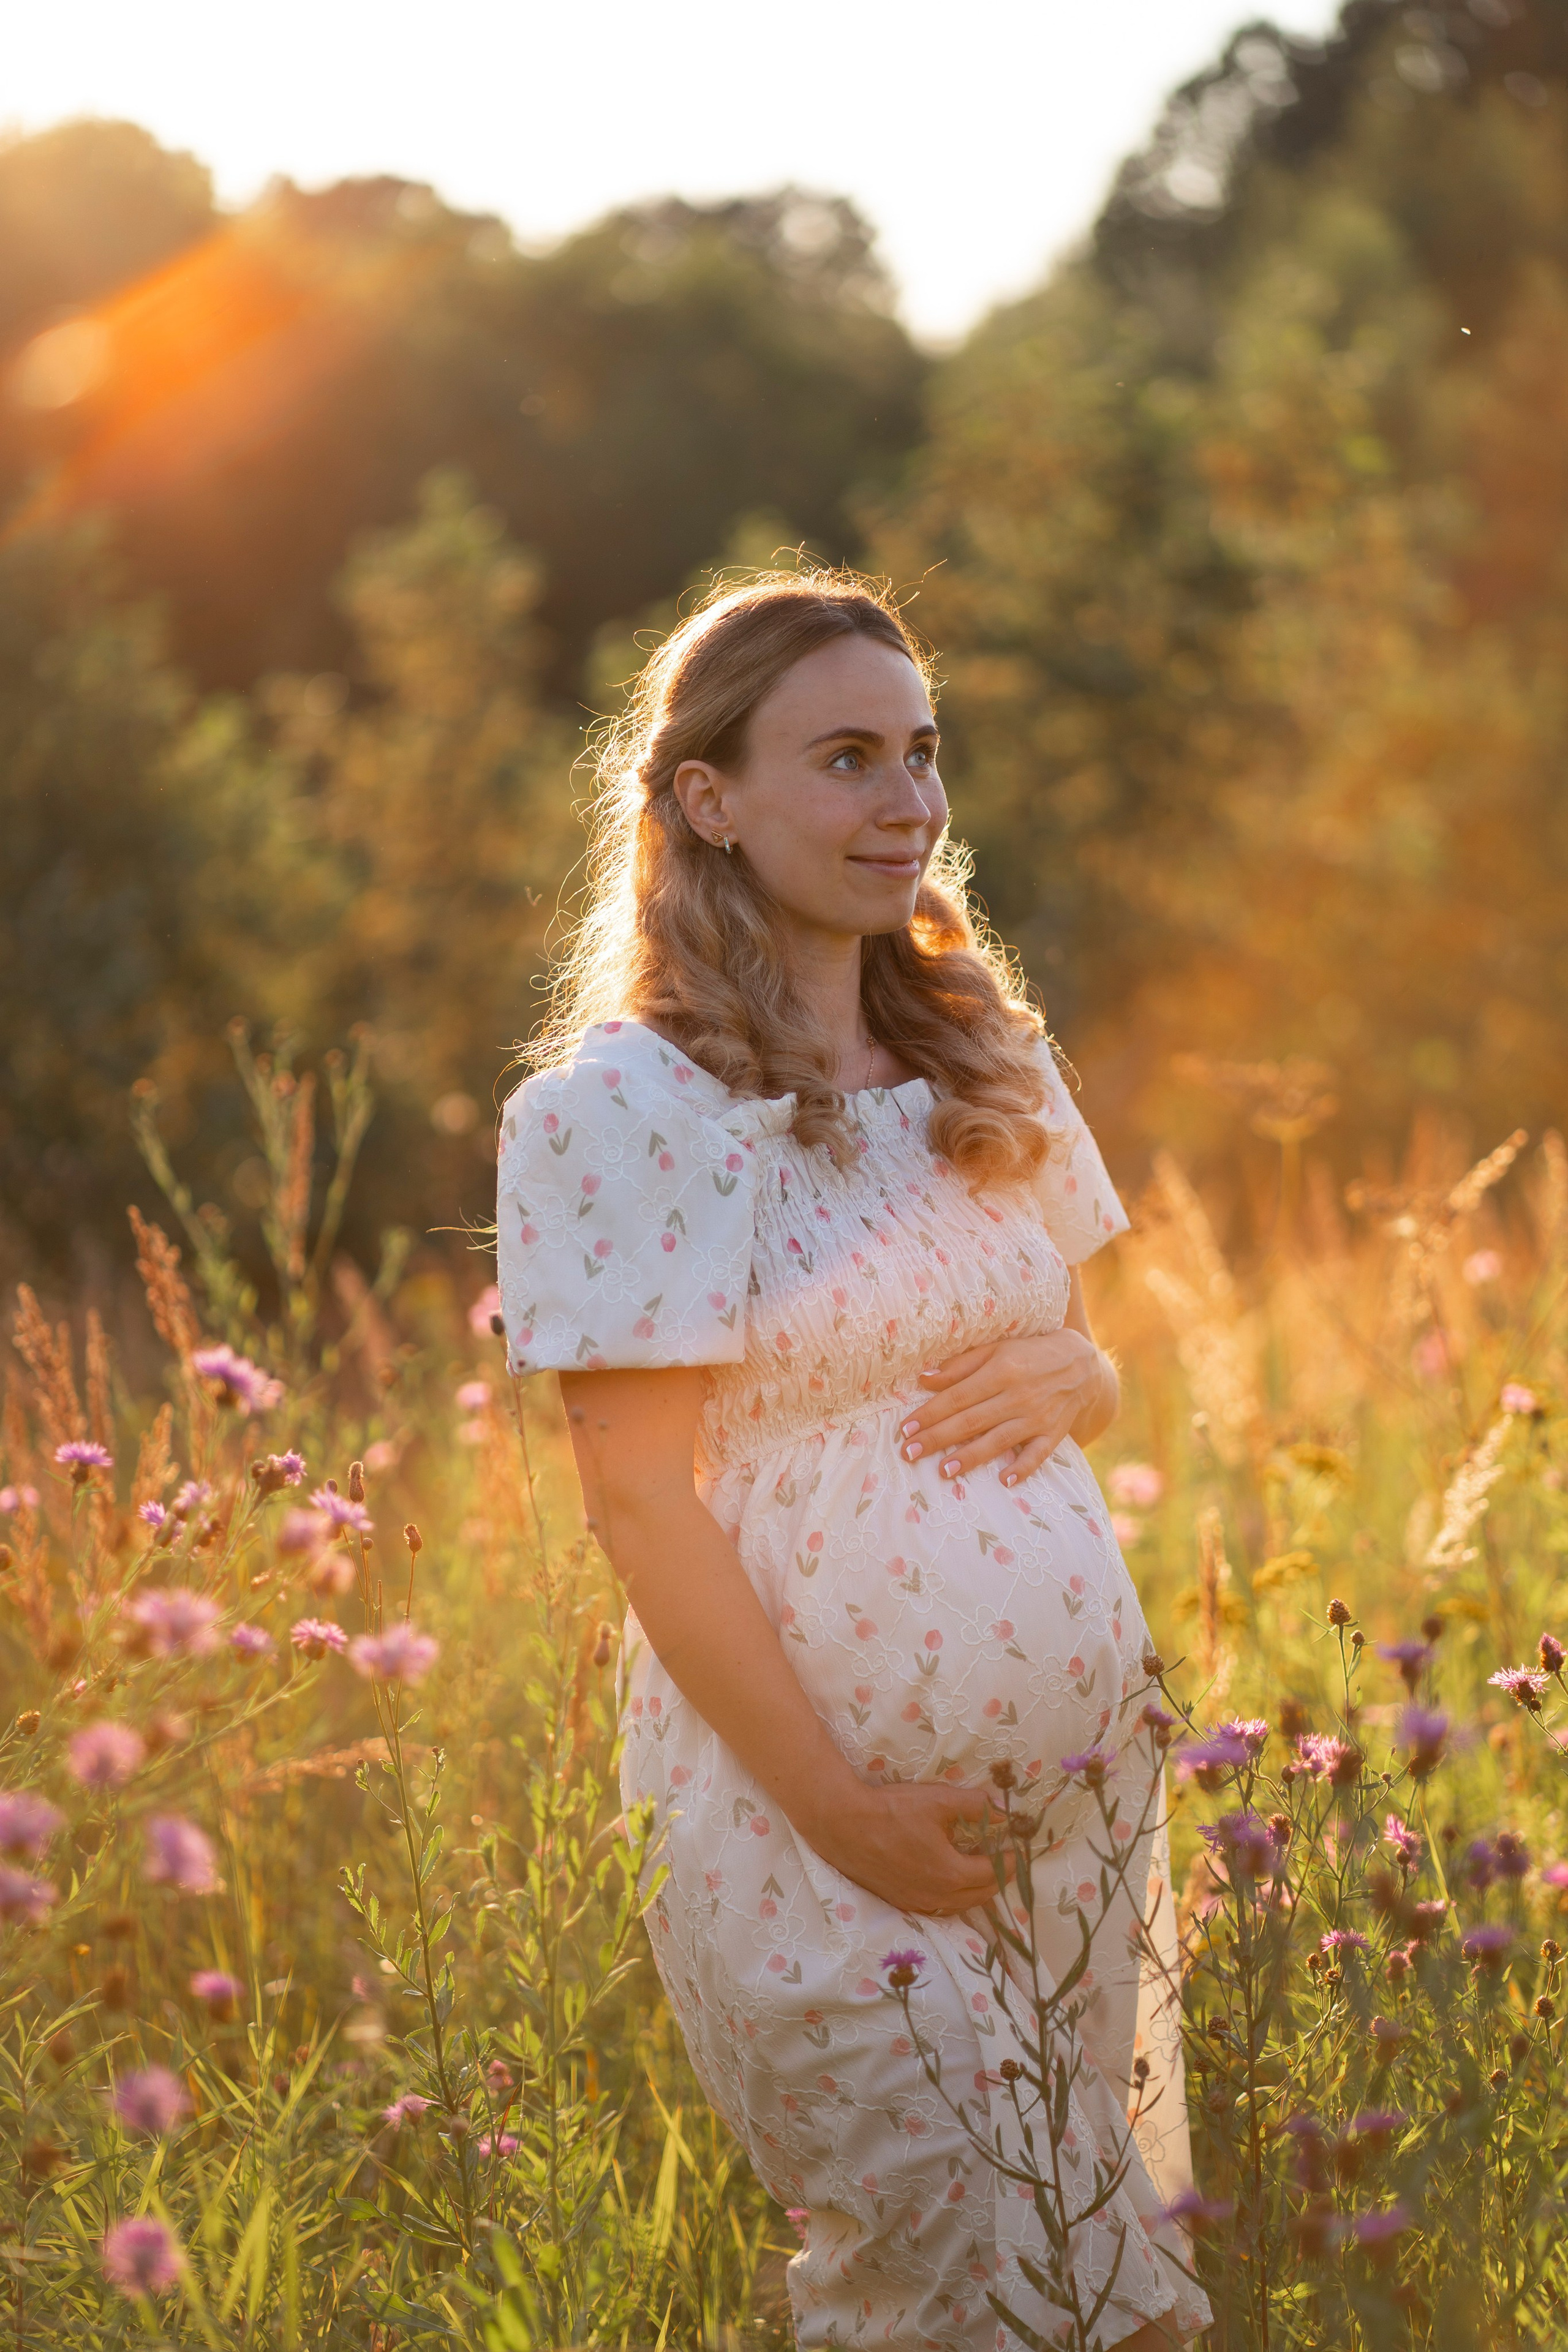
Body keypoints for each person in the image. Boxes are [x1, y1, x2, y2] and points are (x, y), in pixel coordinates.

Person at [496, 573, 1209, 2350]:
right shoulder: (620, 1112)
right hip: (810, 1817)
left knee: (1102, 2282)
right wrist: (843, 1806)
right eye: (847, 759)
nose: (910, 804)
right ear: (707, 797)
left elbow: (1091, 1363)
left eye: (923, 754)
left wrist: (1084, 1368)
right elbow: (639, 1502)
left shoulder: (988, 1048)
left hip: (1078, 1818)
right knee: (939, 2282)